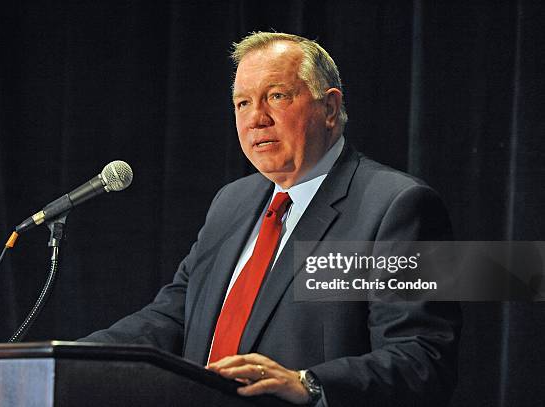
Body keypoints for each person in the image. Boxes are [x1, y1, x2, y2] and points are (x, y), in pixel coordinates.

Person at [80, 32, 461, 407]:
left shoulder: (398, 206)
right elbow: (173, 317)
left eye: (277, 96)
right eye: (242, 103)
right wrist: (68, 359)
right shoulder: (232, 202)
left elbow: (423, 359)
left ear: (329, 109)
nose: (256, 118)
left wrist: (307, 384)